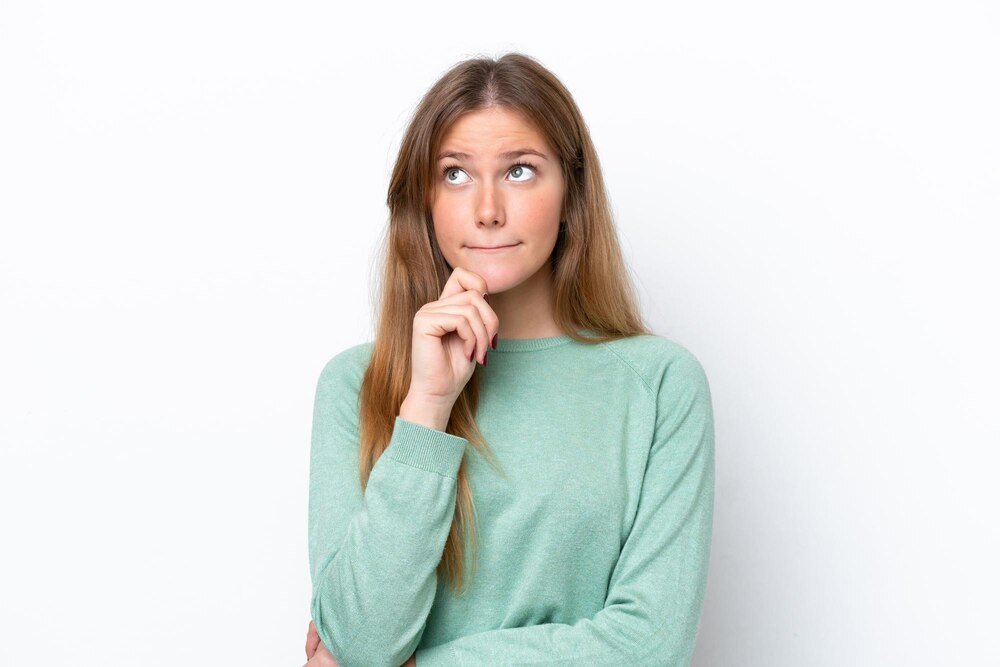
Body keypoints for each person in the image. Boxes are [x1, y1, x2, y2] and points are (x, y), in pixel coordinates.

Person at [303, 52, 715, 667]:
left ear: (571, 193)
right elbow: (359, 642)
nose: (488, 209)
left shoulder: (659, 385)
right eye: (455, 174)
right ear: (423, 200)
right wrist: (427, 407)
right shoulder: (354, 385)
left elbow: (650, 646)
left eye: (520, 171)